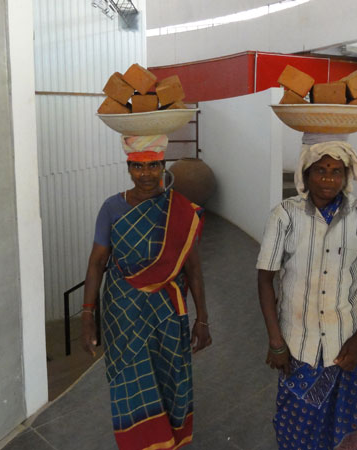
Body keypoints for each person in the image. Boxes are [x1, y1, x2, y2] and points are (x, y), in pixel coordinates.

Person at [257, 134, 357, 450]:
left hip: (345, 348)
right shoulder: (285, 215)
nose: (328, 179)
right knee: (295, 428)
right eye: (320, 170)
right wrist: (276, 340)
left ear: (346, 176)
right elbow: (265, 278)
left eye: (336, 171)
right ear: (305, 175)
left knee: (338, 431)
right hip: (297, 347)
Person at [81, 134, 211, 450]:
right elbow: (98, 262)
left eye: (153, 166)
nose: (146, 174)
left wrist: (203, 319)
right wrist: (87, 314)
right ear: (128, 168)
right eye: (138, 167)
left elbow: (192, 268)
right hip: (122, 312)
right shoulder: (111, 208)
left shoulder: (178, 210)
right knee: (130, 378)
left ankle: (170, 441)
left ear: (163, 166)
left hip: (166, 311)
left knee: (169, 376)